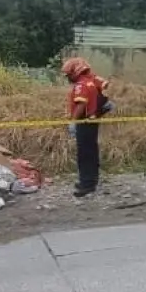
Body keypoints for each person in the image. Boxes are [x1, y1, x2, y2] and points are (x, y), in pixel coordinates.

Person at [60, 56, 108, 196]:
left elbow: (81, 104)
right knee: (92, 150)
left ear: (75, 72)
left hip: (84, 121)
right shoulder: (91, 79)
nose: (68, 77)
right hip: (93, 120)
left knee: (85, 153)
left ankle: (86, 184)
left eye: (68, 74)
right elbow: (105, 85)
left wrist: (74, 121)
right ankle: (91, 180)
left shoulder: (81, 84)